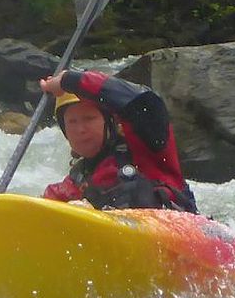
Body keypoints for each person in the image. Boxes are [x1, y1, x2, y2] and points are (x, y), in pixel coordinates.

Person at [38, 69, 197, 213]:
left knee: (135, 189)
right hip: (122, 241)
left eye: (89, 118)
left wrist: (69, 80)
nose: (80, 129)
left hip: (179, 236)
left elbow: (144, 101)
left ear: (110, 123)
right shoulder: (76, 182)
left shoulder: (146, 147)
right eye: (72, 122)